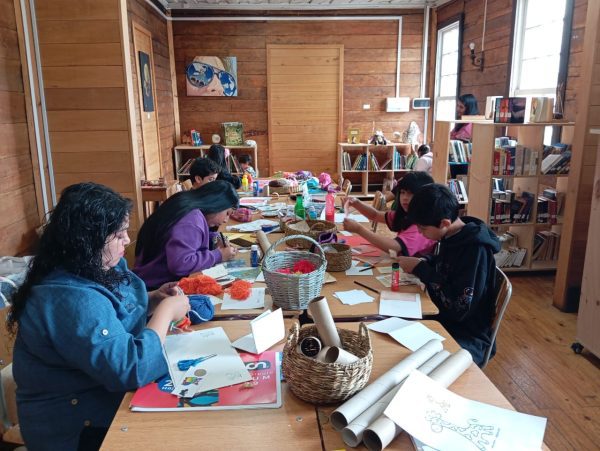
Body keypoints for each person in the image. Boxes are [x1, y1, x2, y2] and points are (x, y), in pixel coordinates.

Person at [8, 183, 190, 451]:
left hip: (101, 397)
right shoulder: (69, 298)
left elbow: (113, 312)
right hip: (75, 427)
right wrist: (166, 312)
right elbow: (131, 369)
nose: (127, 240)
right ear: (88, 240)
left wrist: (154, 300)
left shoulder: (93, 267)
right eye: (118, 234)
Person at [393, 183, 500, 366]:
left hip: (465, 333)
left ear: (444, 223)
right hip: (442, 318)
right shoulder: (451, 235)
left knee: (402, 359)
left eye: (423, 228)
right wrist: (424, 261)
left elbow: (459, 306)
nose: (420, 232)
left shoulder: (474, 250)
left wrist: (421, 269)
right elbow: (444, 264)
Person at [134, 180, 239, 289]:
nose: (226, 220)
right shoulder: (191, 220)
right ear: (216, 204)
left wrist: (214, 238)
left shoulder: (186, 203)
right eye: (227, 213)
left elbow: (190, 238)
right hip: (154, 287)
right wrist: (219, 255)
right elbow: (181, 264)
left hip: (147, 277)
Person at [343, 172, 436, 257]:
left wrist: (359, 229)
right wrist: (357, 203)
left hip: (411, 270)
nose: (405, 198)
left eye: (410, 193)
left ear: (424, 197)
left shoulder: (422, 227)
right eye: (402, 192)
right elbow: (375, 215)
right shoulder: (406, 215)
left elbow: (394, 247)